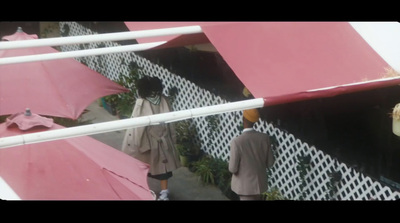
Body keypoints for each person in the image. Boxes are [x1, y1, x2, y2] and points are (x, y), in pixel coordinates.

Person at [122, 76, 181, 201]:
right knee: (163, 169)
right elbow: (171, 122)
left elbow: (137, 125)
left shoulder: (141, 102)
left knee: (143, 167)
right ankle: (164, 193)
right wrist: (172, 138)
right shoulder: (164, 99)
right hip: (163, 138)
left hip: (147, 140)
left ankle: (145, 191)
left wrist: (134, 142)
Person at [228, 108, 275, 200]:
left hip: (244, 187)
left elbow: (232, 169)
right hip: (260, 185)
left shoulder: (237, 142)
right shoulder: (264, 138)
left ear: (243, 119)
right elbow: (270, 163)